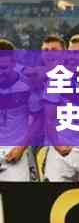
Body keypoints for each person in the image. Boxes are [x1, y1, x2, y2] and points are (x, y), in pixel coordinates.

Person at [43, 35, 79, 184]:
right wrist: (58, 146)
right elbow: (48, 119)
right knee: (51, 194)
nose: (71, 57)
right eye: (70, 53)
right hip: (61, 151)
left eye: (77, 53)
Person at [0, 39, 42, 182]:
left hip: (16, 151)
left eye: (4, 68)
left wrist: (22, 147)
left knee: (17, 195)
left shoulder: (27, 86)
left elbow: (38, 119)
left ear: (13, 64)